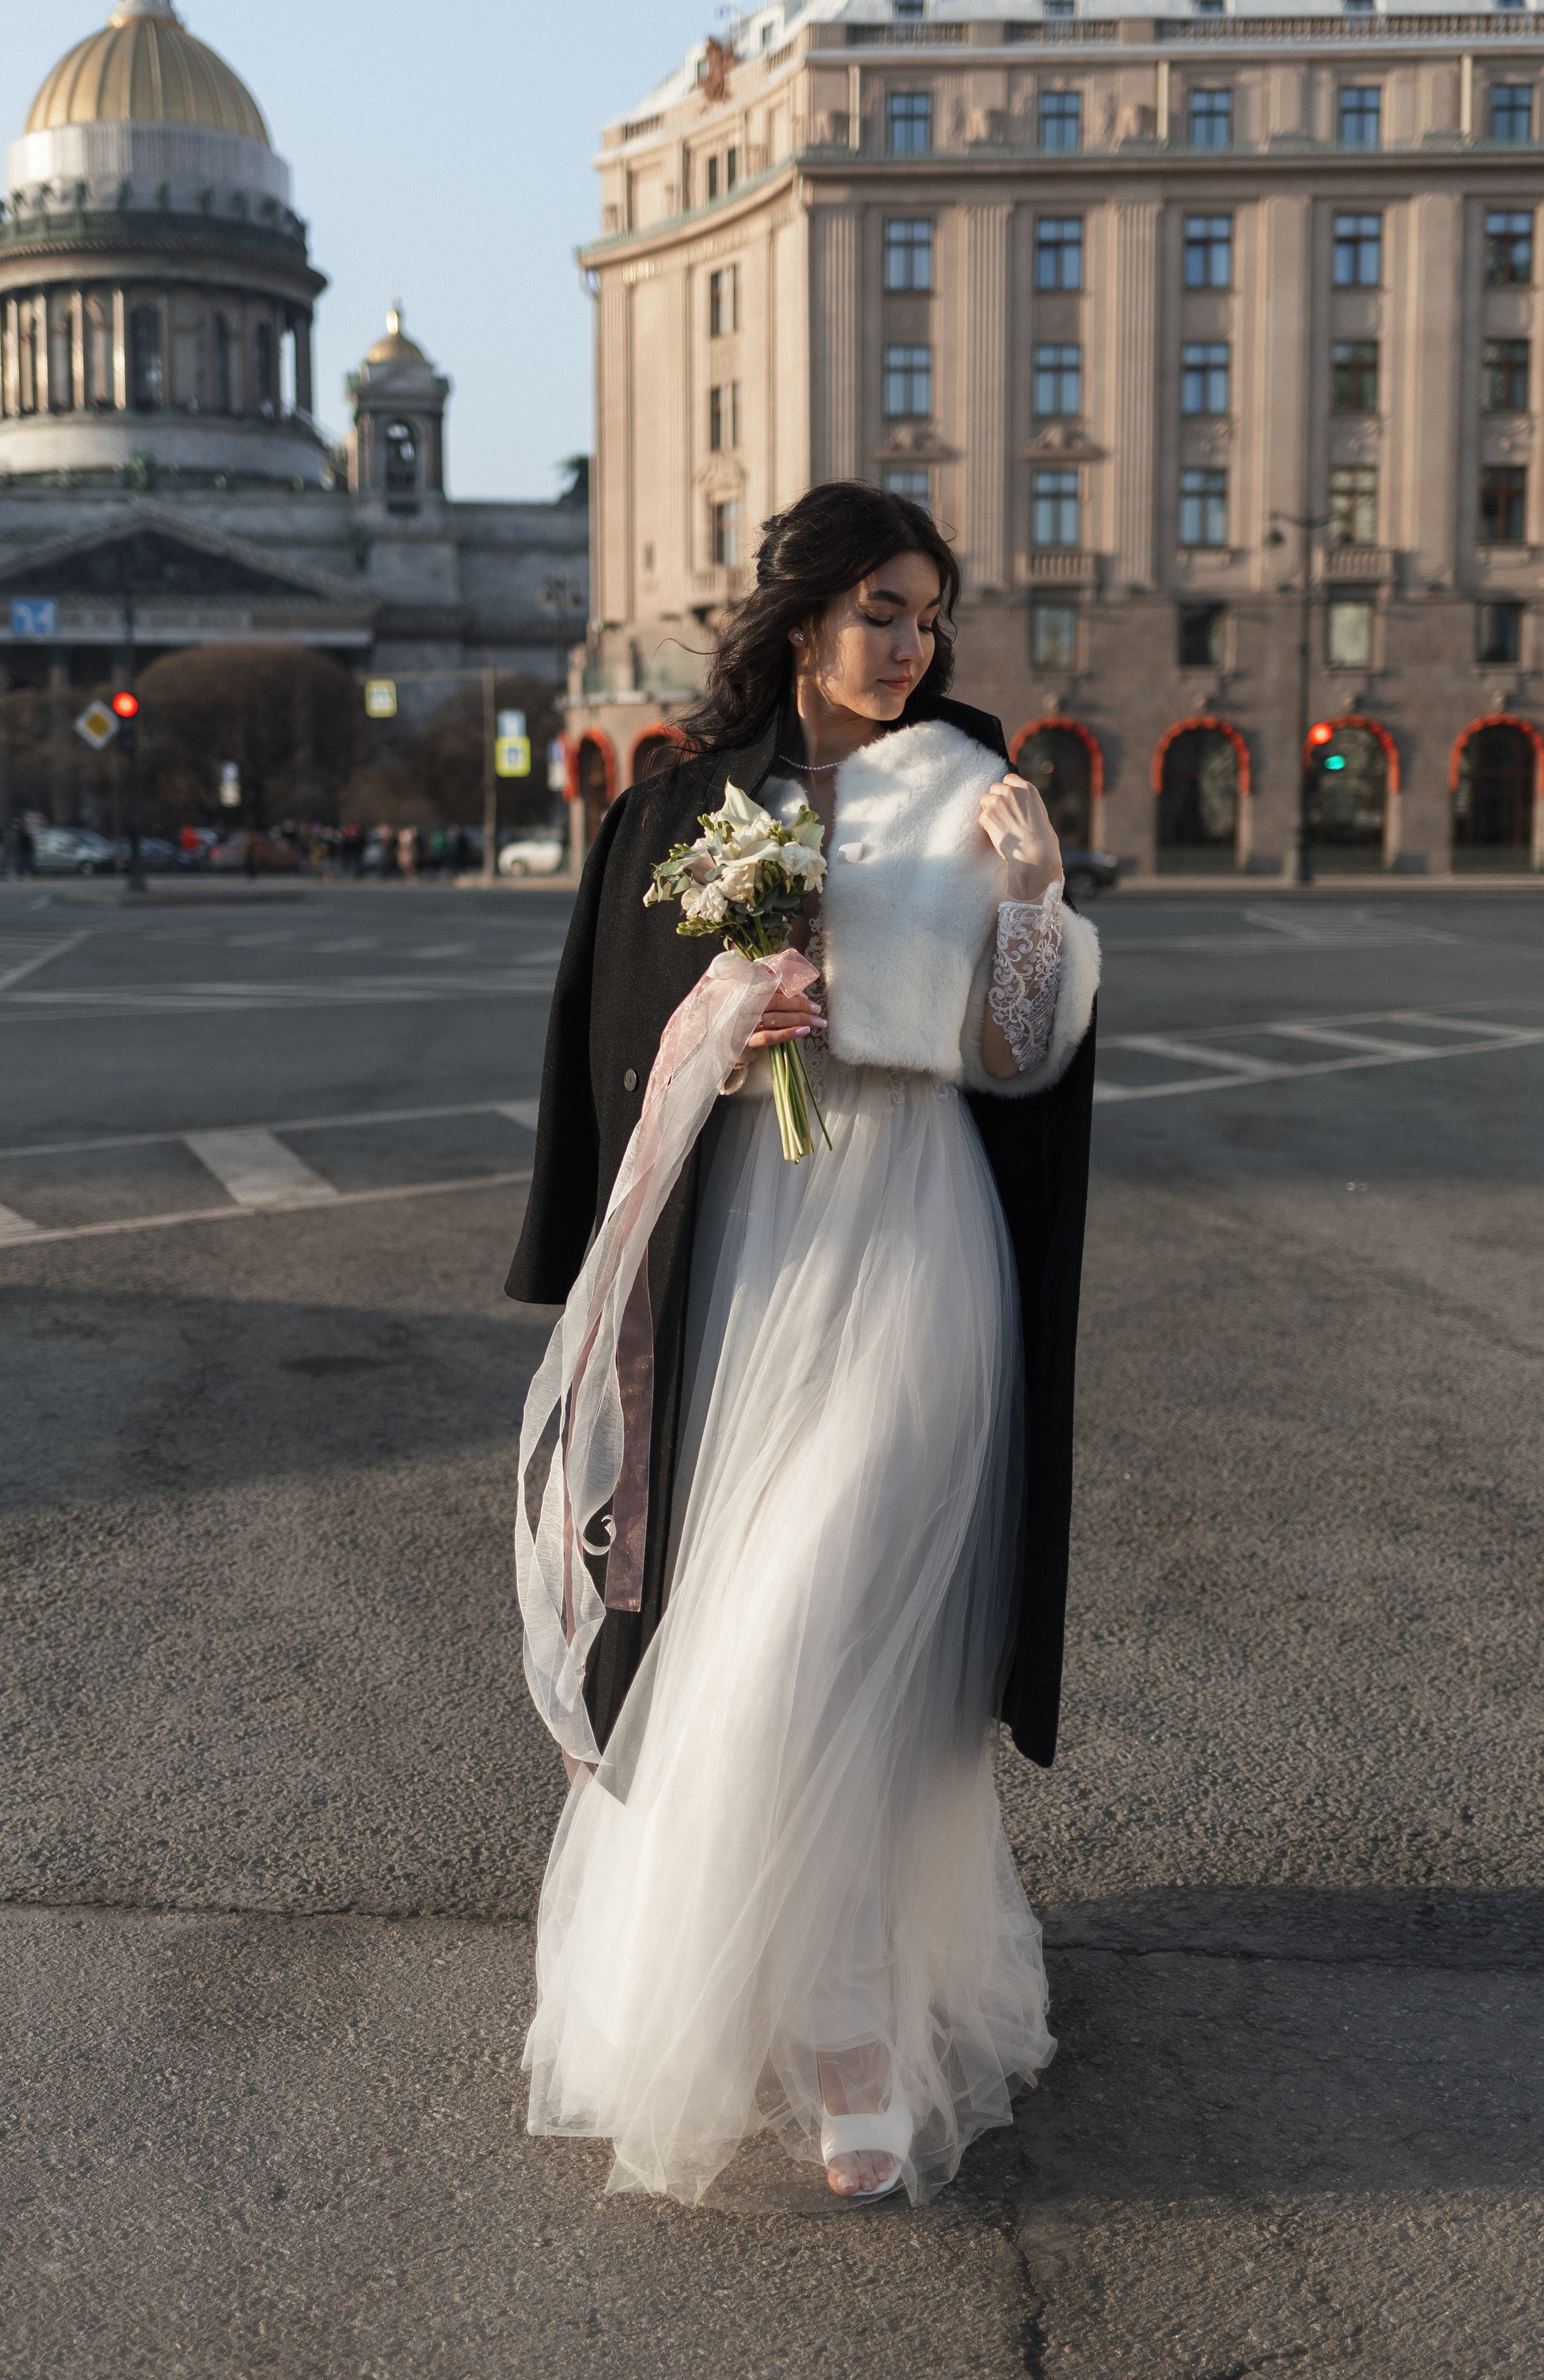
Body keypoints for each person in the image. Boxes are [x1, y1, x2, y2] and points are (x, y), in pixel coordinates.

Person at [507, 483, 1099, 2209]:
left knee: (829, 1632)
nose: (910, 646)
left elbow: (1016, 1058)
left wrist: (1032, 901)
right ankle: (796, 1998)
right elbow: (613, 1040)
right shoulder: (683, 802)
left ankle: (844, 2037)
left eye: (926, 614)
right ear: (798, 621)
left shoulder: (972, 780)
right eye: (879, 613)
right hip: (742, 1253)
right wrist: (726, 1012)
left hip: (916, 1242)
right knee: (746, 1636)